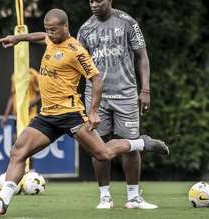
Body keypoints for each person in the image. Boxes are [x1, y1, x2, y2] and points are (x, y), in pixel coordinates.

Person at [0, 8, 168, 214]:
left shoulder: (76, 51)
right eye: (47, 29)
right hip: (48, 115)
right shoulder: (51, 39)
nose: (49, 34)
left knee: (103, 154)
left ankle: (142, 142)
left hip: (70, 114)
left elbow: (96, 80)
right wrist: (19, 38)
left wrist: (93, 111)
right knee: (18, 151)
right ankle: (2, 202)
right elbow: (40, 36)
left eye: (53, 30)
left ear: (65, 27)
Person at [77, 0, 156, 209]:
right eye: (90, 0)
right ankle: (104, 197)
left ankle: (133, 197)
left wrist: (145, 90)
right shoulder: (85, 29)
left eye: (98, 0)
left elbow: (142, 56)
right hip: (96, 98)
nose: (94, 4)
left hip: (126, 94)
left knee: (130, 145)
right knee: (98, 146)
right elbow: (77, 63)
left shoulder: (127, 22)